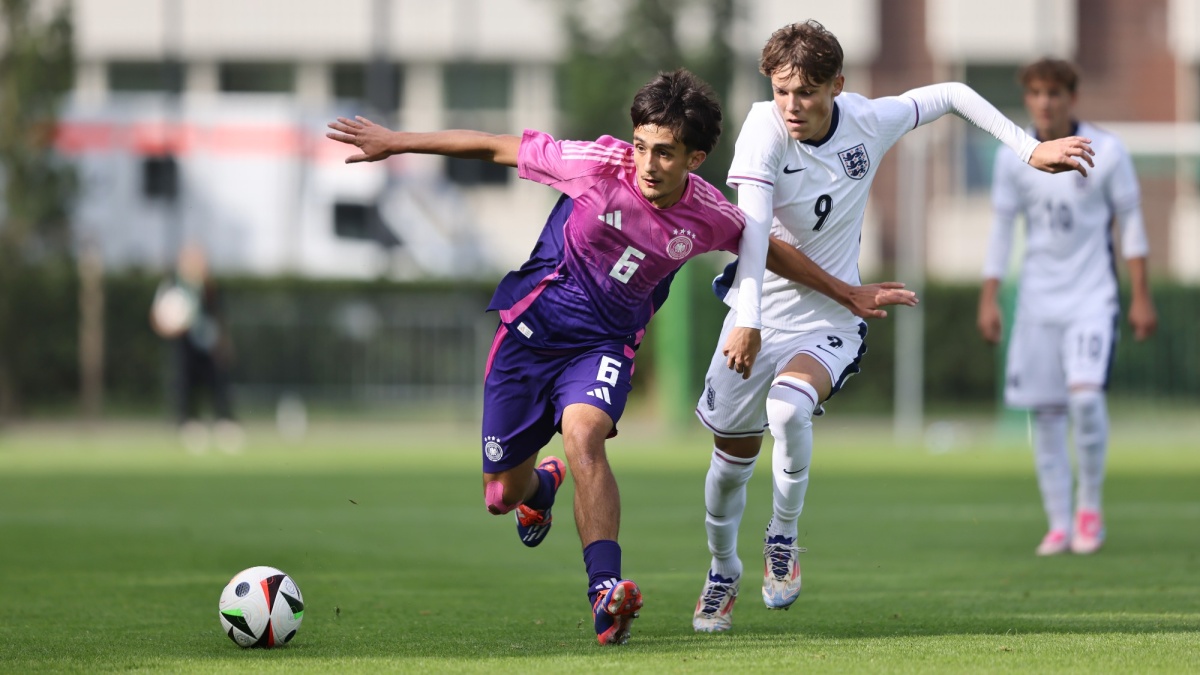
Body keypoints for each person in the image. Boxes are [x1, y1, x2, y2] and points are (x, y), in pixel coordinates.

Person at [327, 69, 783, 646]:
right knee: (503, 495)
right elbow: (495, 146)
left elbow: (763, 247)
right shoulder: (595, 164)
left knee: (584, 438)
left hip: (602, 347)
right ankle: (539, 491)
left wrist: (846, 292)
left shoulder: (709, 214)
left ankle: (605, 593)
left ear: (695, 157)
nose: (646, 163)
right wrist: (396, 142)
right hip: (527, 338)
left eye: (664, 153)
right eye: (641, 145)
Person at [691, 20, 1096, 633]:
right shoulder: (761, 130)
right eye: (781, 91)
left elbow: (953, 94)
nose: (792, 106)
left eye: (806, 91)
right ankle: (723, 572)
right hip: (759, 312)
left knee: (788, 410)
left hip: (828, 320)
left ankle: (784, 536)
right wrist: (746, 320)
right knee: (728, 469)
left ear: (838, 85)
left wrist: (1028, 148)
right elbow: (752, 238)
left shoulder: (867, 120)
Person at [976, 58, 1157, 557]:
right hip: (1036, 302)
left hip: (1091, 299)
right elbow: (1000, 231)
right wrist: (989, 297)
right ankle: (1059, 522)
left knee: (1084, 399)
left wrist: (1141, 295)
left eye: (1054, 92)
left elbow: (1132, 227)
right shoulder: (1011, 156)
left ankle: (1090, 510)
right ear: (1027, 99)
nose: (1045, 101)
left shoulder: (1110, 151)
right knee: (1048, 414)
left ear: (1071, 97)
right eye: (1036, 92)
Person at [150, 243, 243, 454]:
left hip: (209, 345)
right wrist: (171, 326)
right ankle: (189, 424)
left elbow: (219, 316)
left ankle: (225, 423)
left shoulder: (209, 286)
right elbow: (159, 316)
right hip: (185, 345)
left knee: (218, 382)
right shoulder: (172, 285)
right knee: (185, 384)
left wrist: (224, 342)